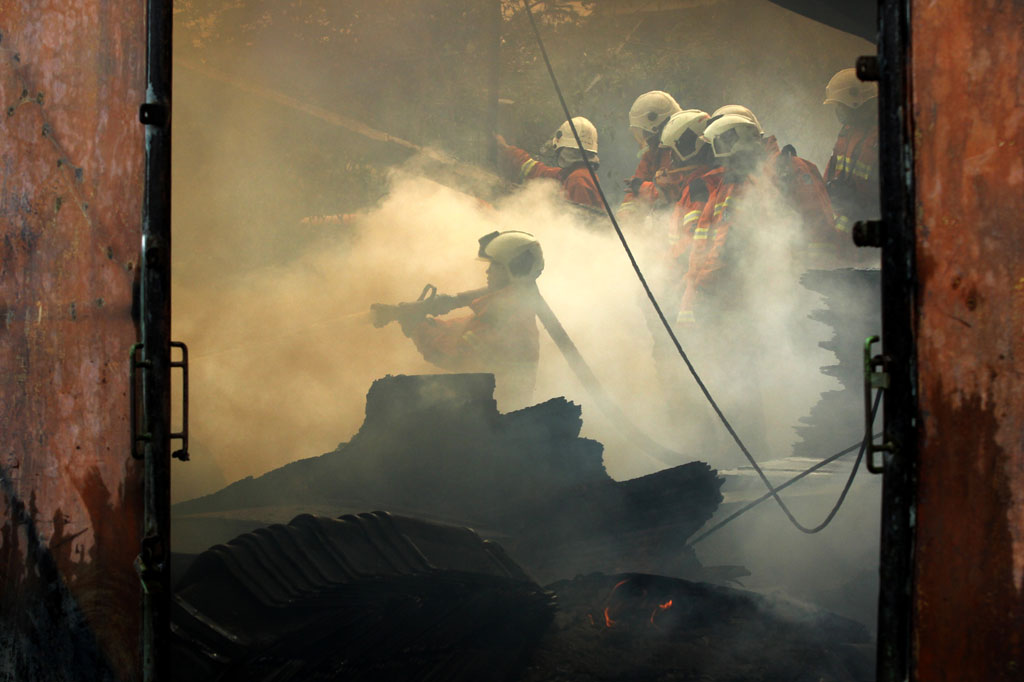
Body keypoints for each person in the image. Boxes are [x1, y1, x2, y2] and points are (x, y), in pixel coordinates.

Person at [400, 230, 544, 408]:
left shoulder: (506, 314)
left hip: (496, 418)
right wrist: (428, 323)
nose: (488, 270)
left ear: (515, 267)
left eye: (495, 265)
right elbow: (464, 328)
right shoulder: (510, 304)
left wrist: (417, 327)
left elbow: (455, 358)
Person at [822, 68, 880, 240]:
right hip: (847, 226)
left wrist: (865, 207)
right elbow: (832, 169)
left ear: (857, 102)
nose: (838, 111)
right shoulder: (847, 131)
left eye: (840, 105)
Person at [495, 118, 601, 210]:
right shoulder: (572, 174)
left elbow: (578, 224)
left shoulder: (578, 180)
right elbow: (539, 172)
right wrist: (506, 149)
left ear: (565, 150)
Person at [618, 91, 683, 219]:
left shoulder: (683, 150)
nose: (645, 137)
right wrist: (623, 217)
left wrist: (642, 187)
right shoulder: (653, 151)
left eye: (645, 132)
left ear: (657, 125)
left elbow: (676, 193)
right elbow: (636, 184)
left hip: (679, 221)